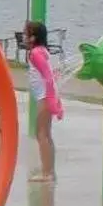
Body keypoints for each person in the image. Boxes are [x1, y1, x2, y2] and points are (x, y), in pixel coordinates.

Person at [26, 20, 63, 182]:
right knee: (45, 134)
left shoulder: (35, 54)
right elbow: (53, 75)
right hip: (46, 96)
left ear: (33, 38)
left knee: (41, 134)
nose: (24, 38)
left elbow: (48, 76)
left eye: (26, 35)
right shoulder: (42, 51)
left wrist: (52, 100)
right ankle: (50, 171)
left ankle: (47, 173)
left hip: (44, 97)